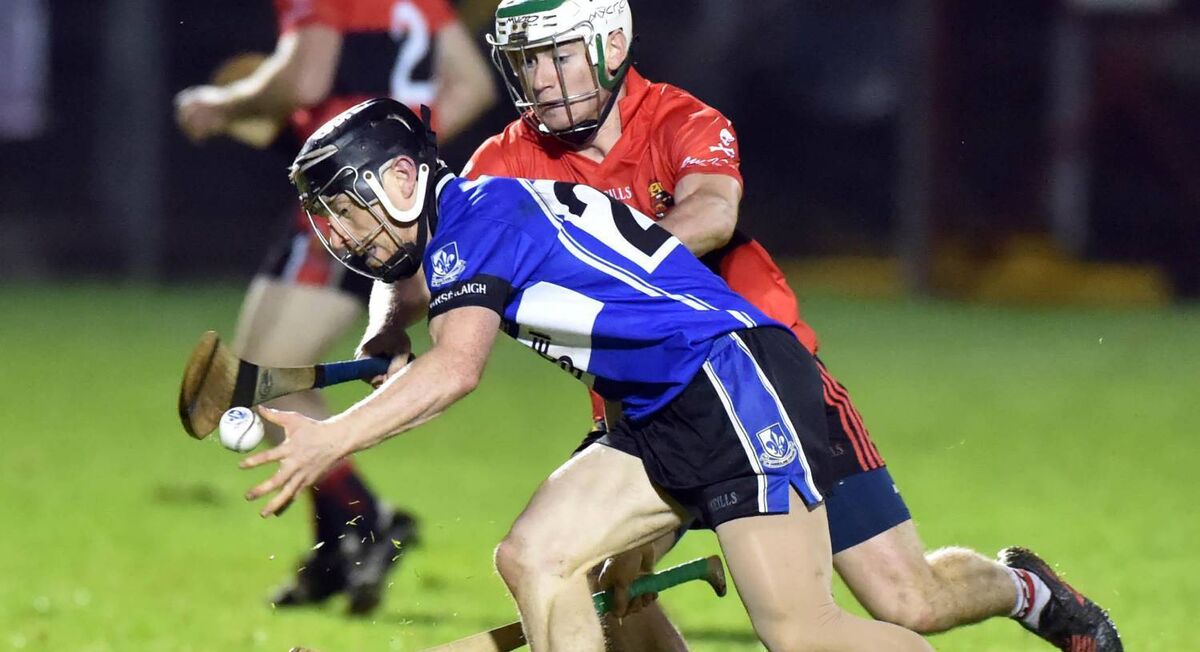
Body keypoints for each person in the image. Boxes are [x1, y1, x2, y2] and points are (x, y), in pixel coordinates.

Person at [461, 1, 1123, 650]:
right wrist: (394, 325)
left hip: (773, 390)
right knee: (604, 574)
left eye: (556, 55)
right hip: (651, 413)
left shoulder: (680, 119)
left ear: (609, 47)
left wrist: (596, 270)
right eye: (524, 61)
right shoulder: (505, 159)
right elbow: (441, 252)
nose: (540, 78)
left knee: (907, 600)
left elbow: (713, 213)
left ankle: (1025, 591)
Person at [243, 96, 935, 652]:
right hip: (657, 407)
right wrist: (389, 329)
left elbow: (454, 371)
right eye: (327, 218)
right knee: (536, 558)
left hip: (730, 380)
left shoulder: (475, 225)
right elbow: (423, 309)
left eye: (344, 208)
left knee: (801, 632)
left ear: (398, 179)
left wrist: (330, 439)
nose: (341, 235)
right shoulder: (475, 215)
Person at [173, 0, 496, 614]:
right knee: (260, 377)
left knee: (259, 379)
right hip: (376, 201)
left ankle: (368, 523)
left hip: (343, 208)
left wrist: (222, 103)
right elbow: (474, 83)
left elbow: (305, 79)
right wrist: (405, 154)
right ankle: (333, 551)